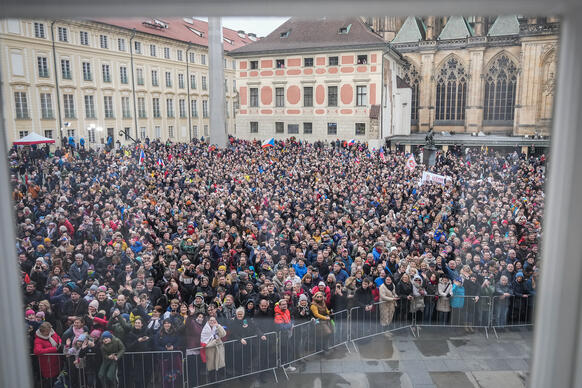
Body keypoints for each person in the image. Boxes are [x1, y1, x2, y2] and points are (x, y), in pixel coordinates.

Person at [33, 322, 62, 386]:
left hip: (57, 362)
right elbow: (37, 351)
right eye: (47, 332)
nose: (49, 333)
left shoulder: (52, 333)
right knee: (50, 383)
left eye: (49, 331)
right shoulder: (38, 340)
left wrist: (59, 342)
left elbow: (58, 337)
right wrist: (53, 349)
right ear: (42, 332)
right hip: (48, 365)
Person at [200, 316, 227, 380]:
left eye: (214, 320)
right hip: (210, 352)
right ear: (208, 321)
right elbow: (205, 345)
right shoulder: (205, 330)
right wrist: (215, 342)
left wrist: (218, 326)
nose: (212, 322)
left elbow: (223, 334)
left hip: (218, 350)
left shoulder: (216, 327)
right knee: (212, 370)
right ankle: (212, 383)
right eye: (211, 320)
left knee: (219, 368)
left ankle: (219, 381)